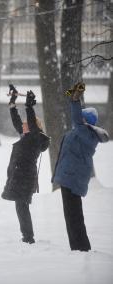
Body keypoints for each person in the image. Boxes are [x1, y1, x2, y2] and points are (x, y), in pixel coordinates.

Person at [52, 83, 109, 252]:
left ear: (86, 120)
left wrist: (75, 99)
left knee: (73, 216)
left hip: (71, 179)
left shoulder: (84, 132)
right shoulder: (82, 133)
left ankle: (80, 248)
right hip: (71, 178)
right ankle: (78, 247)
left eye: (81, 117)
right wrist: (72, 96)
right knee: (73, 215)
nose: (78, 119)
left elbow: (76, 117)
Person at [1, 90, 50, 244]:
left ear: (33, 126)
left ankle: (28, 238)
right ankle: (27, 236)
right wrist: (13, 103)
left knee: (22, 207)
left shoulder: (35, 138)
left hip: (25, 177)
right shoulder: (28, 136)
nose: (23, 126)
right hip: (20, 177)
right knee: (21, 207)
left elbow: (31, 123)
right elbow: (17, 122)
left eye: (26, 124)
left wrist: (29, 106)